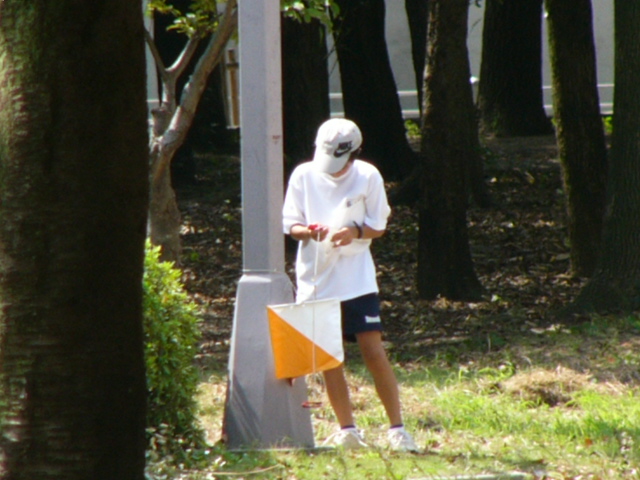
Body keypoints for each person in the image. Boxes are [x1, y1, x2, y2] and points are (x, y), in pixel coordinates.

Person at [282, 118, 418, 452]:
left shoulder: (368, 175)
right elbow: (291, 224)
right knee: (330, 358)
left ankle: (397, 429)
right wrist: (310, 232)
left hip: (357, 279)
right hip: (316, 278)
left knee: (373, 351)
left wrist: (354, 232)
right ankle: (348, 430)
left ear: (354, 153)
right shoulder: (303, 174)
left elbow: (378, 225)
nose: (334, 168)